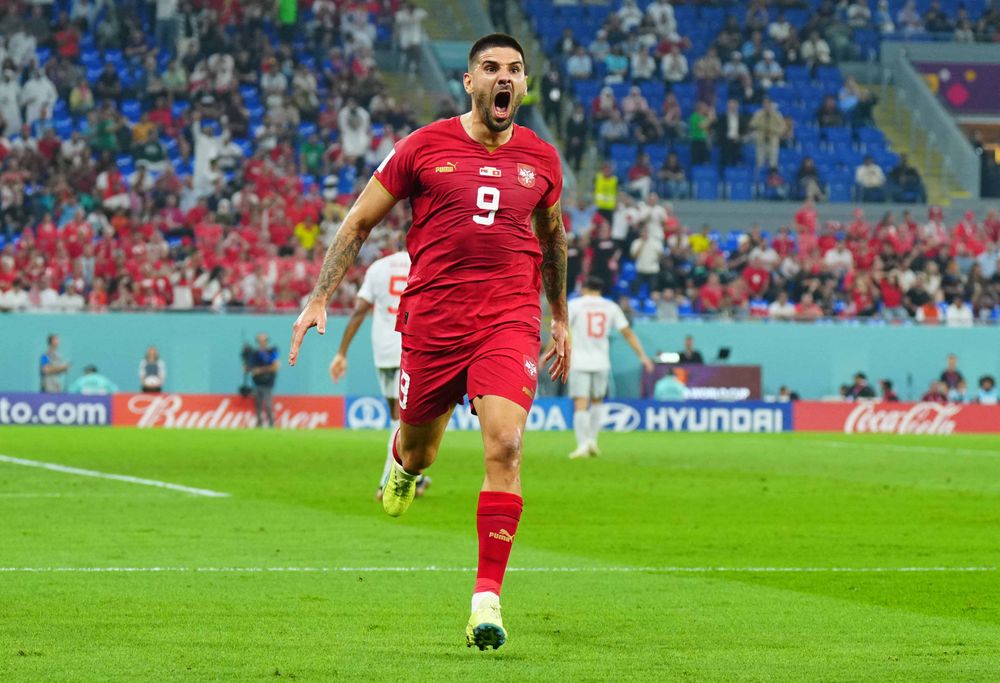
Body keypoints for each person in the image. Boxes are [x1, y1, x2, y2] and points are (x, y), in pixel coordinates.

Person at [287, 34, 568, 651]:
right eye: (491, 68)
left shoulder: (542, 159)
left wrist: (560, 317)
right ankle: (399, 461)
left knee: (506, 445)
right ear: (469, 82)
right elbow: (359, 221)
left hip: (508, 320)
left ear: (524, 85)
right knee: (421, 453)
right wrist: (318, 298)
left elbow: (553, 237)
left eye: (514, 70)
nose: (504, 78)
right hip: (435, 324)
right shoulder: (423, 147)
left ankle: (486, 601)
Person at [329, 248, 431, 501]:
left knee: (398, 417)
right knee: (400, 421)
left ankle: (413, 476)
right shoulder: (427, 262)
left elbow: (359, 311)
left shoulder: (378, 267)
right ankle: (389, 481)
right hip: (411, 348)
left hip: (383, 351)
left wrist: (342, 352)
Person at [566, 277, 654, 459]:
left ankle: (582, 444)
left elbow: (563, 330)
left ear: (583, 288)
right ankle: (593, 441)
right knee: (598, 401)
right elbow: (627, 332)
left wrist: (546, 355)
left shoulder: (574, 305)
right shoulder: (610, 307)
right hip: (602, 362)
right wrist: (642, 356)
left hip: (579, 361)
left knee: (581, 403)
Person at [246, 333, 279, 428]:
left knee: (268, 405)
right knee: (258, 405)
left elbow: (275, 366)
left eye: (263, 341)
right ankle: (259, 424)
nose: (262, 343)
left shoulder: (272, 352)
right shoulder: (255, 354)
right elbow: (250, 367)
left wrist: (260, 370)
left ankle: (271, 424)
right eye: (260, 341)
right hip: (257, 382)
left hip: (268, 382)